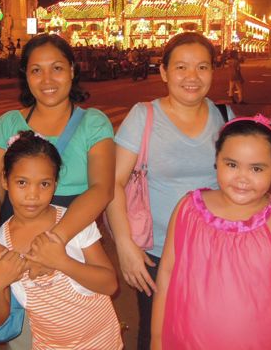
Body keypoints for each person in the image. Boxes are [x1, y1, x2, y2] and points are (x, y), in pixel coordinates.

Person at [0, 33, 114, 348]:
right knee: (28, 331)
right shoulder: (8, 123)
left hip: (72, 234)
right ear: (25, 75)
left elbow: (102, 189)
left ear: (72, 70)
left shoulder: (93, 122)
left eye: (57, 68)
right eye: (36, 70)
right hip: (16, 240)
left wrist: (53, 244)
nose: (47, 79)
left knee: (81, 316)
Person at [105, 32, 234, 349]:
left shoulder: (225, 117)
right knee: (156, 335)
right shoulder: (144, 116)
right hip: (157, 253)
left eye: (202, 67)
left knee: (208, 334)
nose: (192, 77)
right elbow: (114, 183)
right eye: (181, 67)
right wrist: (125, 245)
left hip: (214, 251)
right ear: (163, 72)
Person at [151, 116, 271, 349]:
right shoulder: (188, 209)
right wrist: (157, 340)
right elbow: (166, 277)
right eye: (231, 165)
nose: (242, 179)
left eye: (256, 168)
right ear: (216, 160)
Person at [0, 131, 122, 350]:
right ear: (4, 180)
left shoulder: (75, 222)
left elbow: (110, 284)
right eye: (22, 182)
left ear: (55, 184)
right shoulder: (0, 243)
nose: (33, 195)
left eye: (44, 184)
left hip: (103, 342)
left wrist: (62, 262)